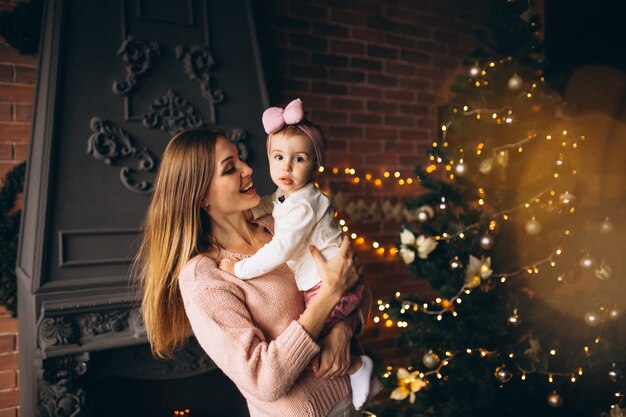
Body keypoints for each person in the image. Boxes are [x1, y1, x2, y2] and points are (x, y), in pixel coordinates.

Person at [135, 127, 377, 417]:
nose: (248, 169)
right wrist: (327, 300)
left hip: (354, 402)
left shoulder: (280, 223)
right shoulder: (205, 277)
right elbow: (262, 380)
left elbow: (355, 287)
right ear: (201, 197)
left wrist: (343, 328)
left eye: (240, 159)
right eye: (230, 169)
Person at [218, 98, 374, 410]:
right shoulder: (202, 275)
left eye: (299, 159)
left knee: (316, 341)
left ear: (314, 164)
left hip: (323, 279)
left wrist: (241, 269)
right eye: (278, 157)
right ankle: (359, 369)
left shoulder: (303, 204)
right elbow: (266, 378)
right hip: (321, 286)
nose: (285, 167)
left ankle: (359, 368)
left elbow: (283, 249)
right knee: (312, 344)